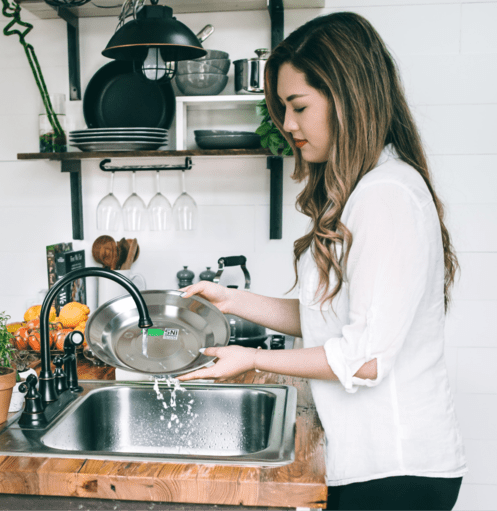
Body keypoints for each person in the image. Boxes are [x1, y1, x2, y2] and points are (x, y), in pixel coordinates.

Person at [178, 12, 467, 511]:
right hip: (378, 462)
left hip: (396, 471)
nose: (288, 126)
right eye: (283, 109)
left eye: (298, 107)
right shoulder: (363, 190)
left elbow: (366, 358)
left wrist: (253, 358)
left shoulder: (386, 196)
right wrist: (232, 300)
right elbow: (330, 320)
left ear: (347, 99)